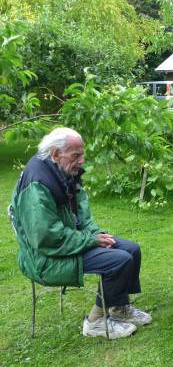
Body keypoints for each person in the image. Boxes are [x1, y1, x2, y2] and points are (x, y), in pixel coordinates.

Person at [10, 128, 152, 340]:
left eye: (82, 154)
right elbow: (46, 238)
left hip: (66, 243)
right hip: (45, 258)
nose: (82, 160)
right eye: (76, 155)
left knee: (131, 249)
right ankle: (94, 322)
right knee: (118, 260)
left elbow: (82, 217)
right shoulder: (37, 185)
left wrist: (97, 234)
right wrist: (90, 240)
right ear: (56, 154)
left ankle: (117, 307)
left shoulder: (66, 174)